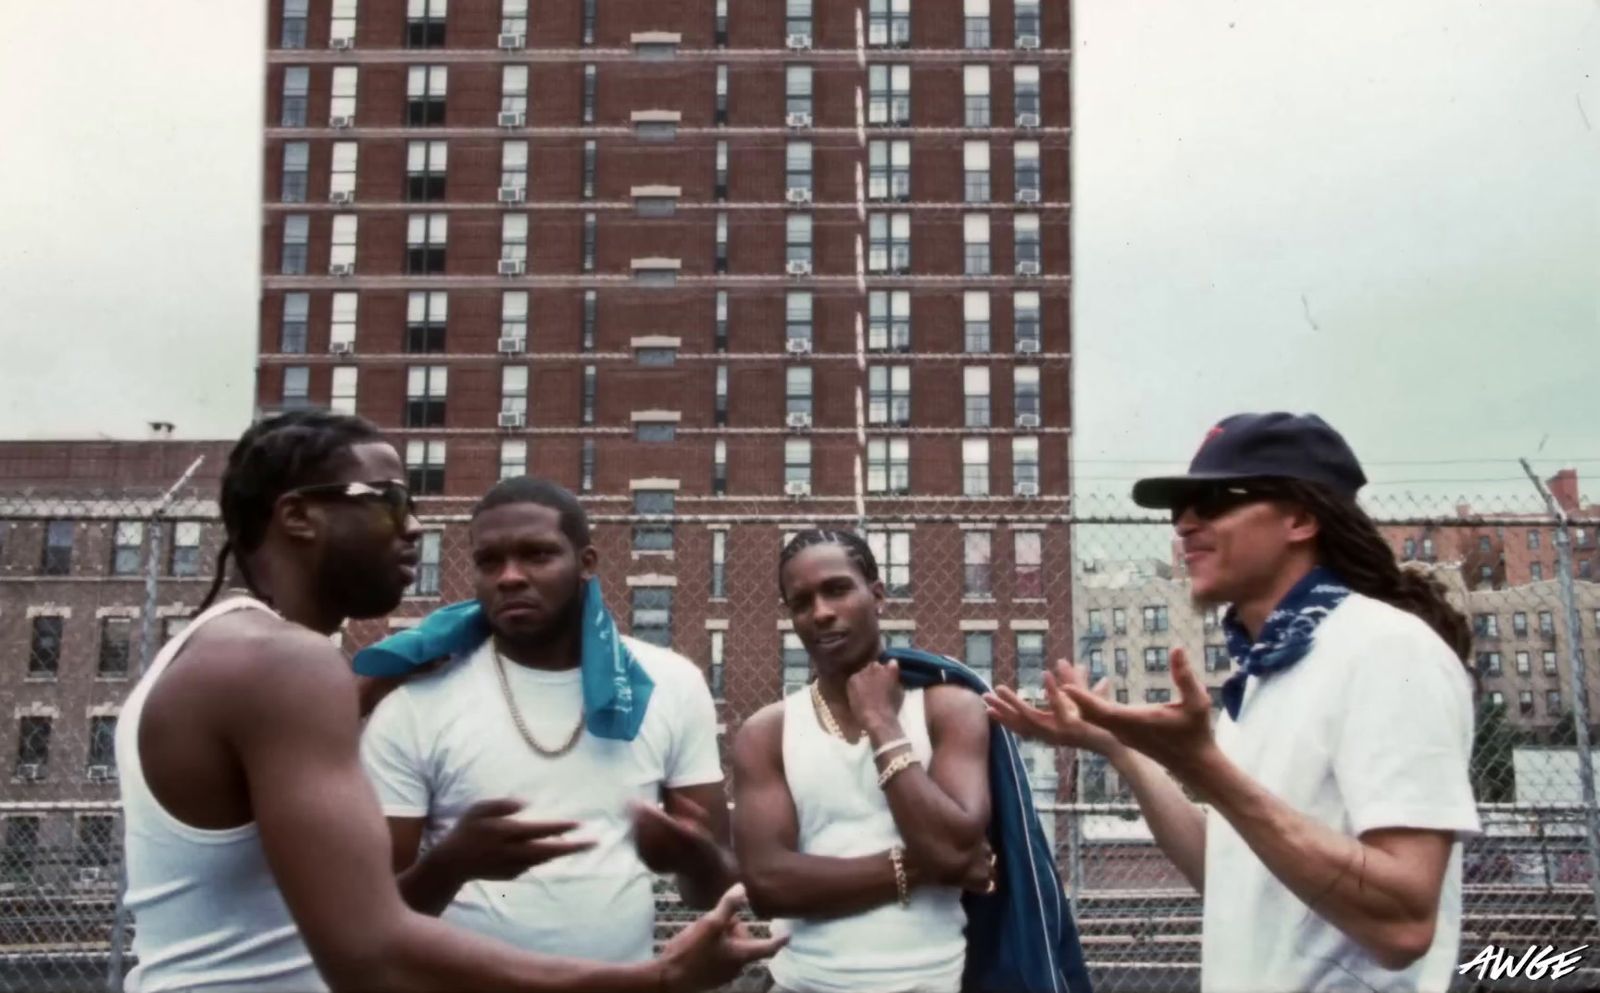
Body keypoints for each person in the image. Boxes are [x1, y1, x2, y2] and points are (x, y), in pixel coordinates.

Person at [115, 411, 782, 993]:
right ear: (297, 515)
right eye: (386, 501)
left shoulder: (219, 650)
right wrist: (658, 979)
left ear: (585, 562)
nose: (412, 528)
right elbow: (372, 954)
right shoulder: (285, 661)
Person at [987, 412, 1480, 993]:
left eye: (1216, 499)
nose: (1185, 524)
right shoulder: (1272, 670)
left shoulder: (1388, 650)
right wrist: (1120, 750)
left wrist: (1207, 769)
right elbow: (1228, 873)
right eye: (1178, 510)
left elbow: (1403, 924)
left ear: (1300, 517)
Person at [358, 476, 737, 961]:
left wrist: (694, 857)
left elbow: (712, 889)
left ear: (586, 564)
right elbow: (374, 918)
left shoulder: (668, 683)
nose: (510, 577)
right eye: (488, 561)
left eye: (537, 555)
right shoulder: (415, 705)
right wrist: (451, 865)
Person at [731, 529, 995, 993]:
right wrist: (920, 865)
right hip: (802, 984)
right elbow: (769, 887)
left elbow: (953, 848)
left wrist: (880, 723)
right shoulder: (766, 732)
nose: (821, 613)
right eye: (801, 602)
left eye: (837, 589)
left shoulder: (947, 708)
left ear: (877, 596)